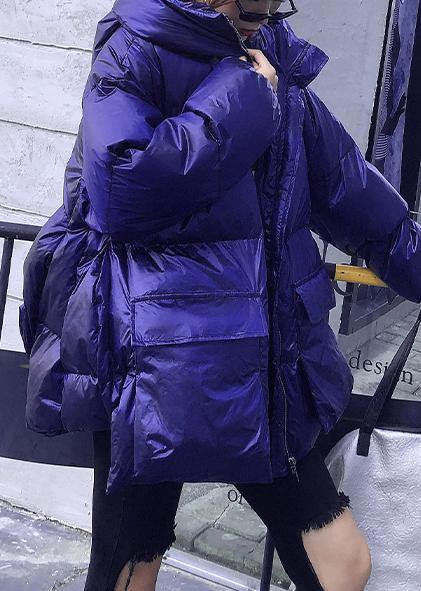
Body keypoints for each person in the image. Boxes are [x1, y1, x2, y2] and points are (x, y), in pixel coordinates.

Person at [18, 0, 421, 589]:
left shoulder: (271, 57)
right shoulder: (136, 49)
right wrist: (241, 96)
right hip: (150, 368)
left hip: (260, 369)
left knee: (343, 565)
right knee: (131, 565)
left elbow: (357, 199)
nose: (266, 10)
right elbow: (121, 190)